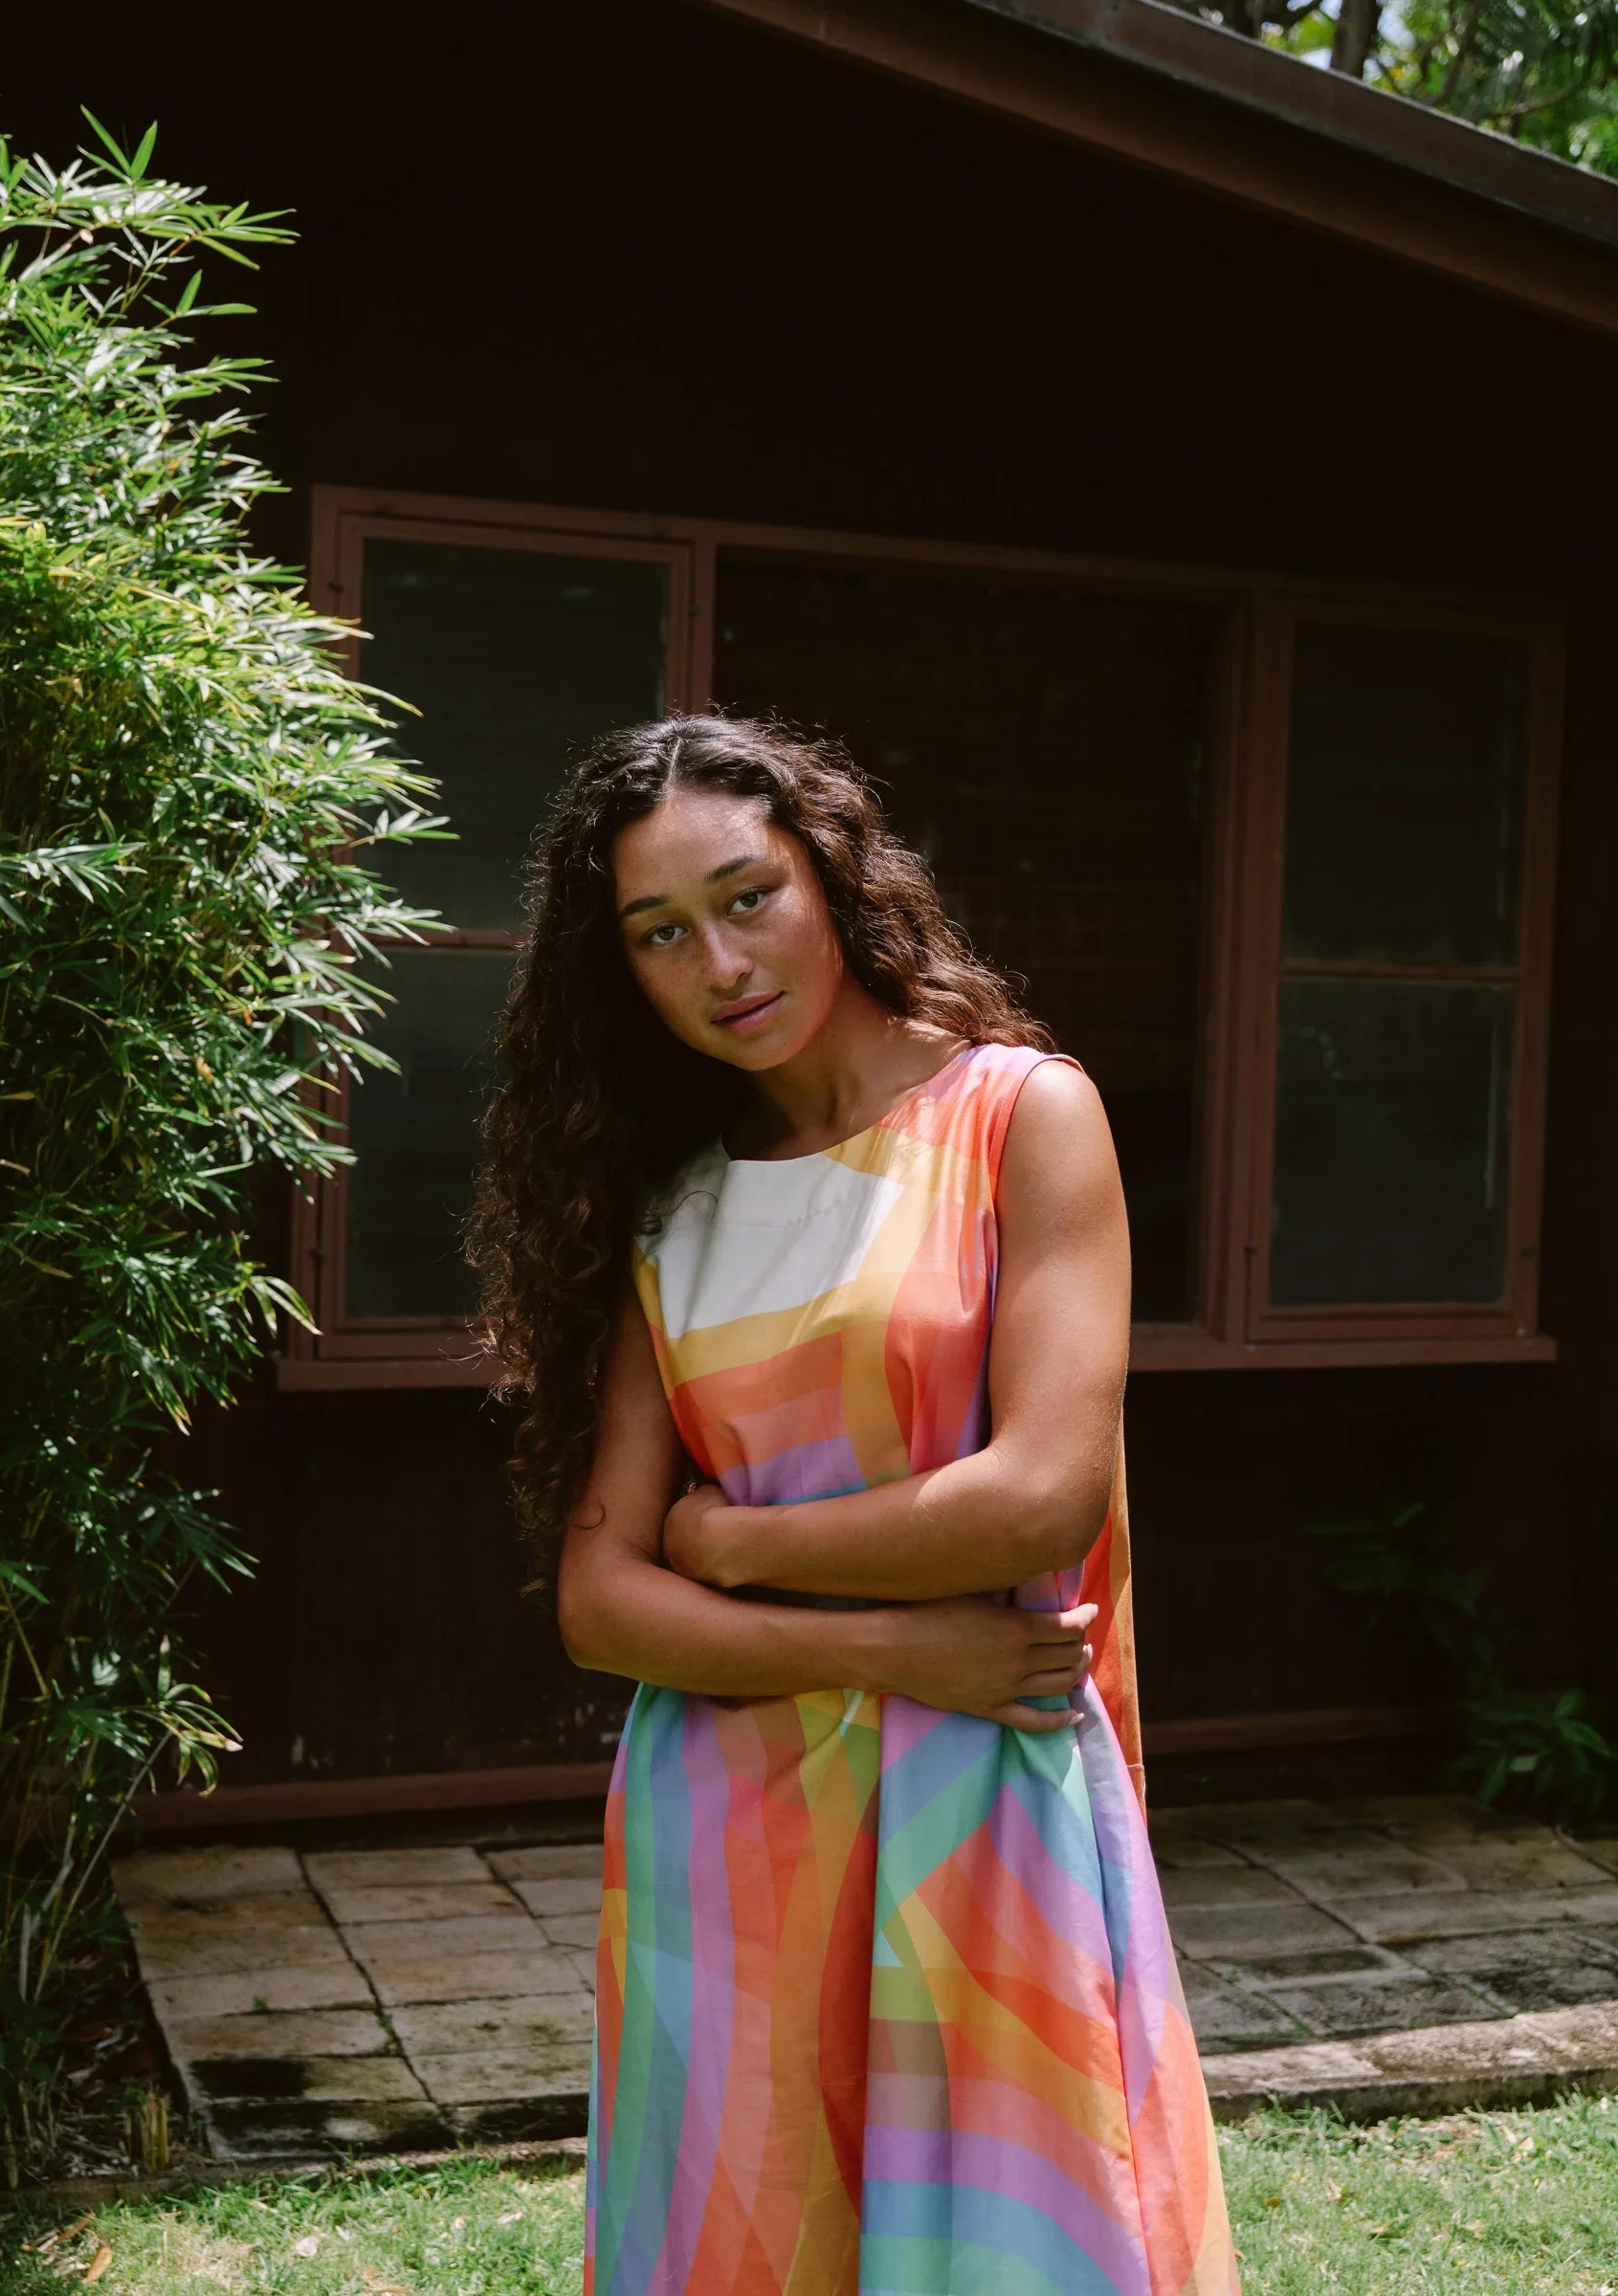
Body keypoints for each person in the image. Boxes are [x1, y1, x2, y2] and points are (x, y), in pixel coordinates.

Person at [471, 714, 1237, 2296]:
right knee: (749, 2235)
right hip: (729, 1821)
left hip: (980, 1797)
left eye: (748, 897)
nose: (720, 962)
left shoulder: (1022, 1117)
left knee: (1013, 2240)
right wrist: (893, 1647)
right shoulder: (669, 1210)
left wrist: (739, 1543)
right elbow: (600, 1600)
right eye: (659, 934)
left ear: (831, 875)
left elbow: (1036, 1495)